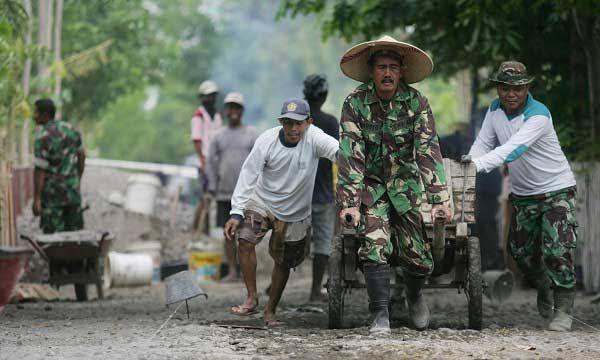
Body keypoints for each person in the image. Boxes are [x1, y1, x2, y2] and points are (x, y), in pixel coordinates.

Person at [337, 35, 451, 334]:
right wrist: (350, 202)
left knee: (418, 258)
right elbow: (350, 153)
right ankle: (380, 314)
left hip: (406, 189)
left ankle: (413, 295)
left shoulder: (417, 103)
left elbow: (427, 150)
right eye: (381, 67)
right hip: (371, 190)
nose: (387, 73)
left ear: (401, 71)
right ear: (371, 71)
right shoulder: (355, 103)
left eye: (392, 67)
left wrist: (439, 199)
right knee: (374, 247)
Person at [467, 61, 578, 331]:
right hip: (524, 195)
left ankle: (563, 310)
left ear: (527, 87)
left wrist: (478, 166)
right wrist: (469, 161)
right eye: (504, 88)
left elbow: (513, 150)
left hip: (556, 189)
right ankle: (542, 284)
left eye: (517, 88)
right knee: (521, 254)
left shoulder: (538, 115)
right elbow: (484, 143)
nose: (511, 94)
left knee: (557, 250)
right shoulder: (494, 110)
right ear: (498, 89)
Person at [223, 99, 338, 326]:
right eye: (288, 123)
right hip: (262, 201)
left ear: (308, 122)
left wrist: (353, 167)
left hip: (295, 211)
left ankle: (270, 311)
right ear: (281, 123)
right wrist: (236, 211)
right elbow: (248, 174)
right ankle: (252, 297)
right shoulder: (267, 140)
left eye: (298, 123)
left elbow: (338, 151)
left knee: (284, 261)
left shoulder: (315, 137)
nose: (293, 129)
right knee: (245, 239)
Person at [206, 92, 258, 282]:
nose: (233, 111)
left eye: (237, 107)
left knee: (247, 234)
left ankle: (247, 271)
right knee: (228, 234)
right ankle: (233, 272)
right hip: (224, 192)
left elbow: (260, 162)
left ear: (242, 111)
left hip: (248, 194)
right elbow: (210, 162)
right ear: (226, 111)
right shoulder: (218, 136)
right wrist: (211, 185)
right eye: (230, 108)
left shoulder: (252, 134)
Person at [303, 74, 339, 301]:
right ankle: (315, 290)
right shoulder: (330, 122)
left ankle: (277, 283)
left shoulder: (297, 119)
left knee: (293, 240)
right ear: (324, 95)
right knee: (323, 243)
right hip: (323, 192)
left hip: (298, 192)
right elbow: (339, 157)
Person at [32, 98, 86, 234]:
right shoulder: (70, 129)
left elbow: (40, 170)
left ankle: (58, 256)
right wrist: (77, 178)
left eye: (36, 112)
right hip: (72, 191)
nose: (34, 116)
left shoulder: (42, 137)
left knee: (53, 236)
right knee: (75, 235)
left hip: (52, 196)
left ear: (45, 115)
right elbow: (82, 155)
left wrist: (37, 199)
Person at [191, 80, 222, 232]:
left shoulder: (216, 115)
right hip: (204, 161)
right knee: (205, 198)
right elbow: (196, 139)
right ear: (202, 97)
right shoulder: (199, 116)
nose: (210, 99)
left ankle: (204, 230)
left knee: (209, 198)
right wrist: (202, 160)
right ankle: (198, 229)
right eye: (208, 96)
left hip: (215, 161)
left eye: (212, 96)